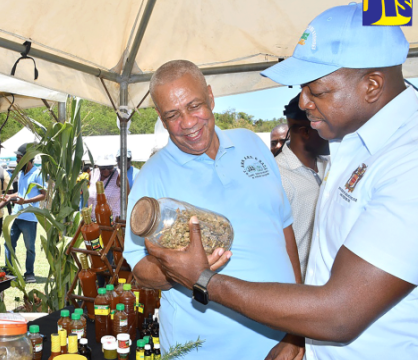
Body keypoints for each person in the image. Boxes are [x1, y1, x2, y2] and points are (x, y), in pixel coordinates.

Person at [145, 4, 418, 359]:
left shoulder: (407, 163)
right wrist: (297, 337)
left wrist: (205, 279)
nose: (303, 102)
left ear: (372, 86)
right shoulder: (352, 142)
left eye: (317, 91)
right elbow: (325, 266)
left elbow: (340, 313)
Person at [122, 59, 302, 360]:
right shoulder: (152, 177)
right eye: (173, 115)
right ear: (160, 117)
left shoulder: (251, 144)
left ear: (211, 96)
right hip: (203, 351)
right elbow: (139, 270)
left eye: (194, 106)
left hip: (281, 342)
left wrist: (297, 330)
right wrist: (177, 270)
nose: (188, 123)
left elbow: (284, 230)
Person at [276, 94, 329, 280]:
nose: (332, 134)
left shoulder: (331, 164)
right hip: (300, 289)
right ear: (306, 131)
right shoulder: (277, 178)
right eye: (325, 125)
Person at [3, 143, 46, 283]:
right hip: (16, 215)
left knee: (30, 248)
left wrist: (26, 202)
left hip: (29, 217)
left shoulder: (38, 173)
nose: (16, 161)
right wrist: (10, 196)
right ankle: (9, 270)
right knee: (9, 244)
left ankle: (29, 273)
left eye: (19, 158)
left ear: (27, 158)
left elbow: (44, 194)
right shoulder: (21, 173)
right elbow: (21, 192)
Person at [87, 153, 126, 221]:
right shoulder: (92, 174)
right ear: (98, 166)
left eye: (109, 167)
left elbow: (127, 201)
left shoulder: (120, 176)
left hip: (112, 223)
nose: (106, 170)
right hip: (93, 221)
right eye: (103, 167)